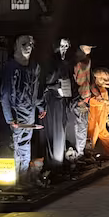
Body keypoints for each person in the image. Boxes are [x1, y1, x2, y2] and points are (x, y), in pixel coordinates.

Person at [0, 35, 45, 188]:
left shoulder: (34, 66)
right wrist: (9, 117)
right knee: (15, 145)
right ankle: (13, 181)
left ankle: (23, 177)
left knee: (25, 144)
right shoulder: (11, 68)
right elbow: (5, 94)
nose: (28, 47)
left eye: (31, 44)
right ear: (16, 46)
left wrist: (39, 106)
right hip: (17, 111)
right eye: (24, 44)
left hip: (29, 111)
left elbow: (34, 90)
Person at [41, 38, 75, 179]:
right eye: (61, 46)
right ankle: (53, 162)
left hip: (62, 100)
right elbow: (45, 81)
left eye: (66, 46)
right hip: (51, 101)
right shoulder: (50, 63)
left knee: (61, 129)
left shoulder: (64, 63)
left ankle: (59, 161)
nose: (64, 49)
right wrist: (52, 86)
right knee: (53, 130)